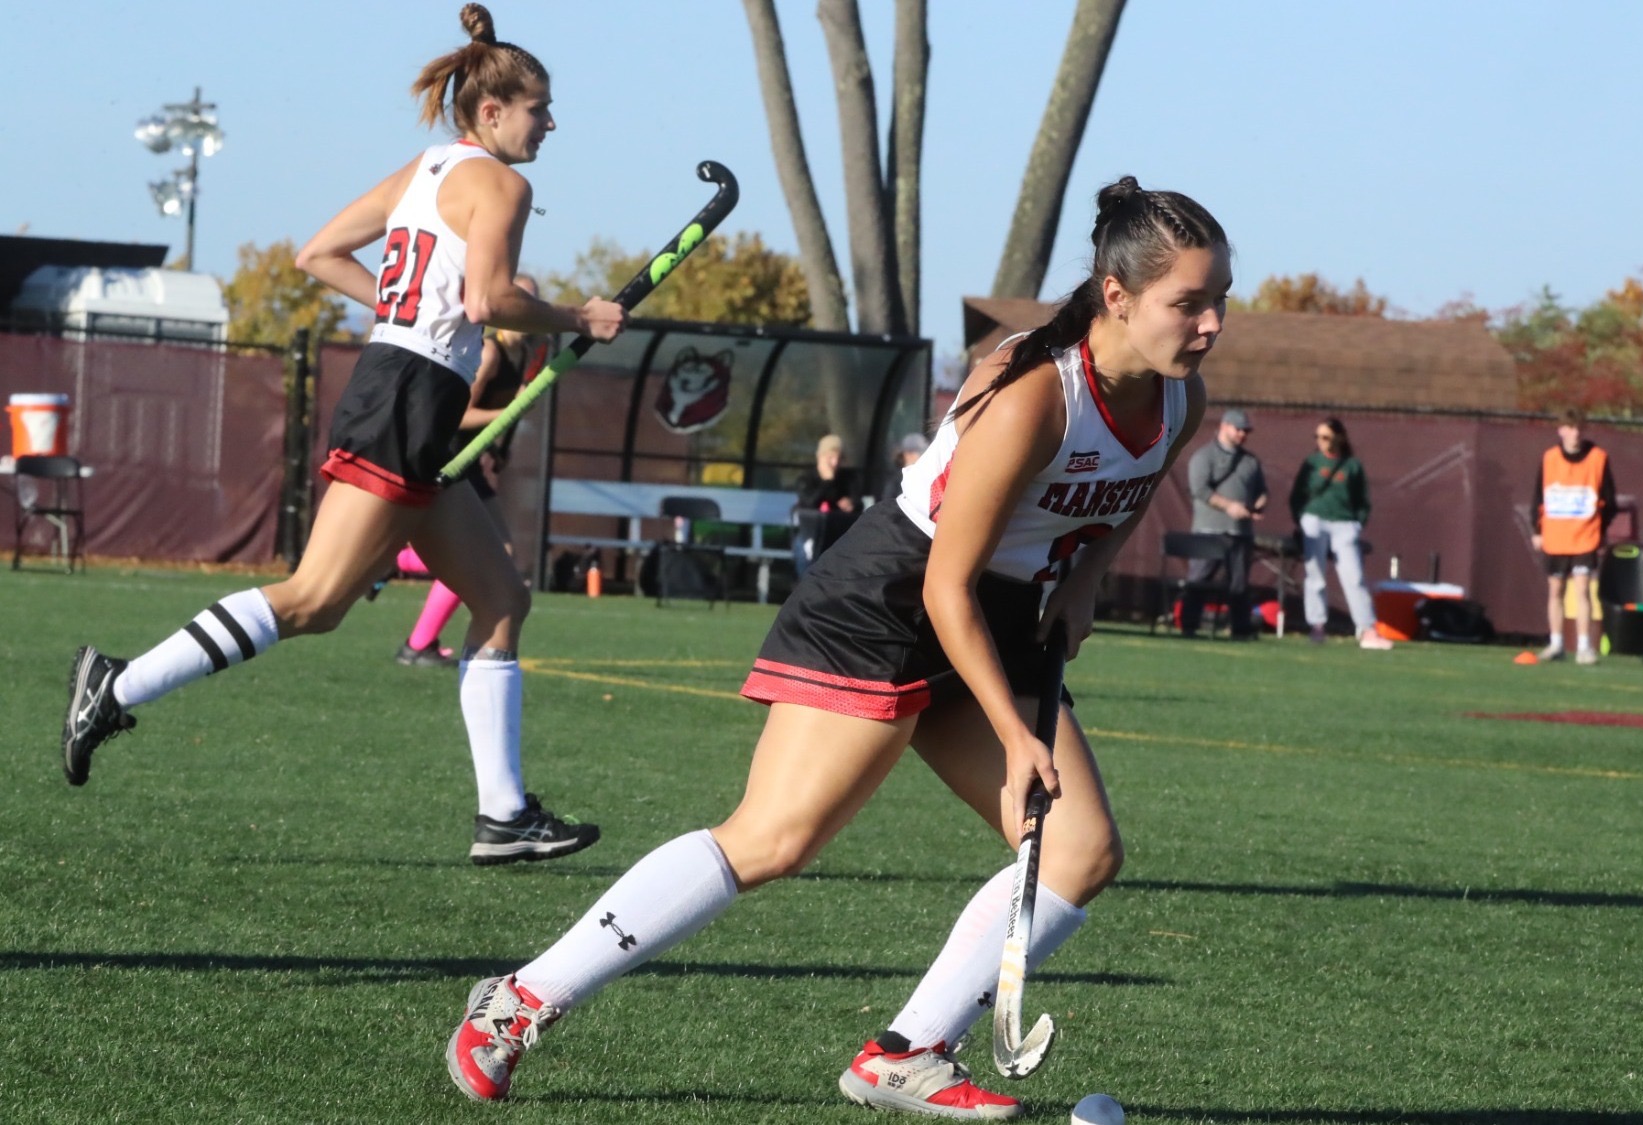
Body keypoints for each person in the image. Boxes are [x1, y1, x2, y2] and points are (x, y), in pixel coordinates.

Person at [443, 176, 1229, 1119]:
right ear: (1117, 295)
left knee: (1079, 850)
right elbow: (944, 585)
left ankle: (906, 1051)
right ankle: (519, 999)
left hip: (1005, 612)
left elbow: (1129, 491)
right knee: (774, 838)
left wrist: (1091, 576)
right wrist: (1016, 735)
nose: (1212, 322)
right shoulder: (1033, 397)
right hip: (897, 599)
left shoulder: (1180, 402)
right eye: (1189, 302)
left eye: (1220, 298)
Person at [59, 4, 624, 866]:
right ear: (491, 112)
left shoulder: (427, 168)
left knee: (503, 599)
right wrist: (577, 313)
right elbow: (488, 302)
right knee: (314, 601)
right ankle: (115, 685)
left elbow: (318, 254)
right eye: (540, 108)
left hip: (403, 389)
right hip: (408, 395)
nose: (551, 123)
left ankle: (504, 816)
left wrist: (407, 309)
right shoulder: (504, 185)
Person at [397, 273, 550, 668]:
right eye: (520, 300)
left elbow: (502, 417)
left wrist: (499, 449)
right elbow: (458, 415)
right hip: (450, 456)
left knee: (499, 553)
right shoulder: (490, 352)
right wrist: (508, 412)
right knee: (490, 552)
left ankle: (418, 638)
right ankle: (414, 630)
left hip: (472, 458)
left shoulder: (524, 352)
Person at [1289, 416, 1390, 649]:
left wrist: (1358, 523)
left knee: (1354, 577)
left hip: (1344, 524)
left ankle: (1367, 629)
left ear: (1339, 438)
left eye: (1325, 437)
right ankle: (1316, 626)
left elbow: (1363, 501)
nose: (1321, 442)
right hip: (1315, 520)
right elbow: (1297, 495)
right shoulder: (1312, 462)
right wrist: (1302, 519)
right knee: (1316, 575)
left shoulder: (1352, 465)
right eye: (1317, 437)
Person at [1530, 407, 1616, 664]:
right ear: (1561, 430)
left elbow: (1610, 500)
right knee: (1555, 589)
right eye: (1570, 428)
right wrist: (1537, 530)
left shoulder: (1598, 458)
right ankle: (1556, 643)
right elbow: (1538, 496)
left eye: (1579, 428)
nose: (1575, 433)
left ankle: (1583, 647)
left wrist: (1600, 530)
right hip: (1555, 535)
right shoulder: (1549, 458)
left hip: (1584, 535)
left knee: (1582, 589)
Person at [1182, 407, 1266, 638]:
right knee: (1199, 580)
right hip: (1209, 530)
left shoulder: (1250, 461)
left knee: (1238, 585)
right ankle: (1189, 626)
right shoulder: (1204, 456)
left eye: (1246, 430)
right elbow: (1199, 489)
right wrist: (1229, 506)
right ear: (1224, 426)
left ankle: (1240, 629)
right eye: (1239, 429)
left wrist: (1259, 503)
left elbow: (1261, 490)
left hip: (1240, 532)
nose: (1243, 434)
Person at [792, 432, 862, 576]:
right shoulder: (807, 479)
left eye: (838, 458)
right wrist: (827, 481)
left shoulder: (848, 479)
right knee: (805, 549)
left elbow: (858, 503)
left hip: (838, 532)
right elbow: (810, 502)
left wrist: (851, 504)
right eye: (830, 457)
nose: (834, 463)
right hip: (810, 532)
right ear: (821, 457)